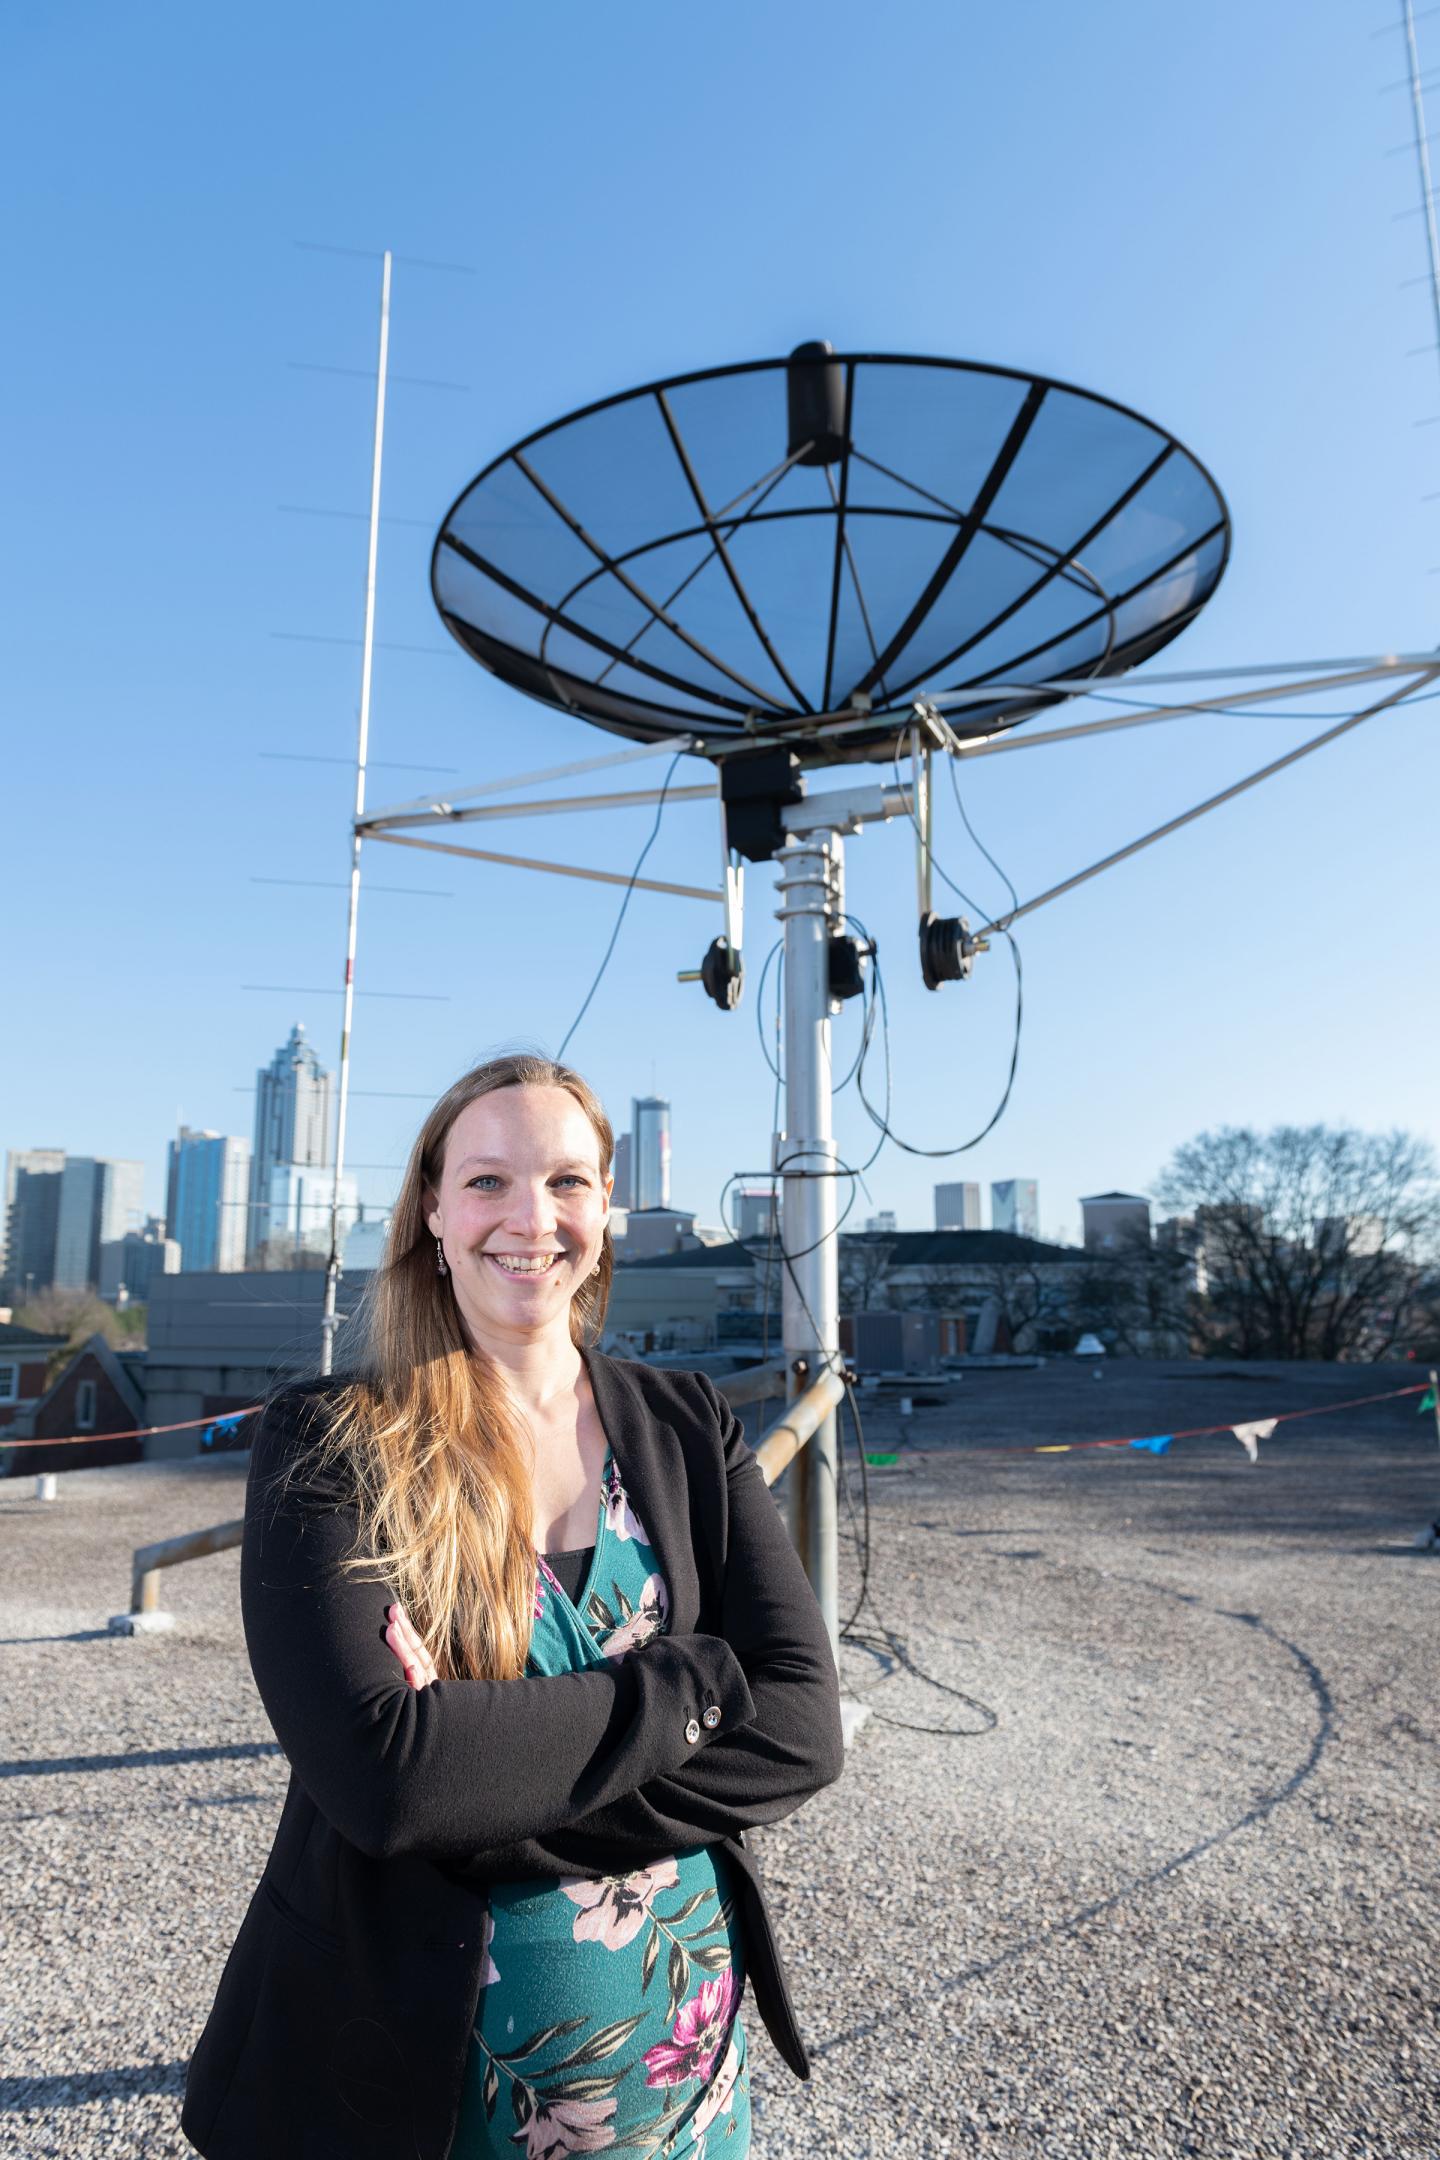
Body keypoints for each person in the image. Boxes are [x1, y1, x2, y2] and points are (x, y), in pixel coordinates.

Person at [182, 1051, 845, 2160]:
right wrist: (695, 1683)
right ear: (432, 1212)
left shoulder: (690, 1427)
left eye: (567, 1181)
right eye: (487, 1181)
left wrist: (483, 1776)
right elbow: (390, 1781)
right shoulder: (334, 1442)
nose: (531, 1219)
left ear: (607, 1207)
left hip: (687, 2089)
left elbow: (805, 1731)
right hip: (419, 2100)